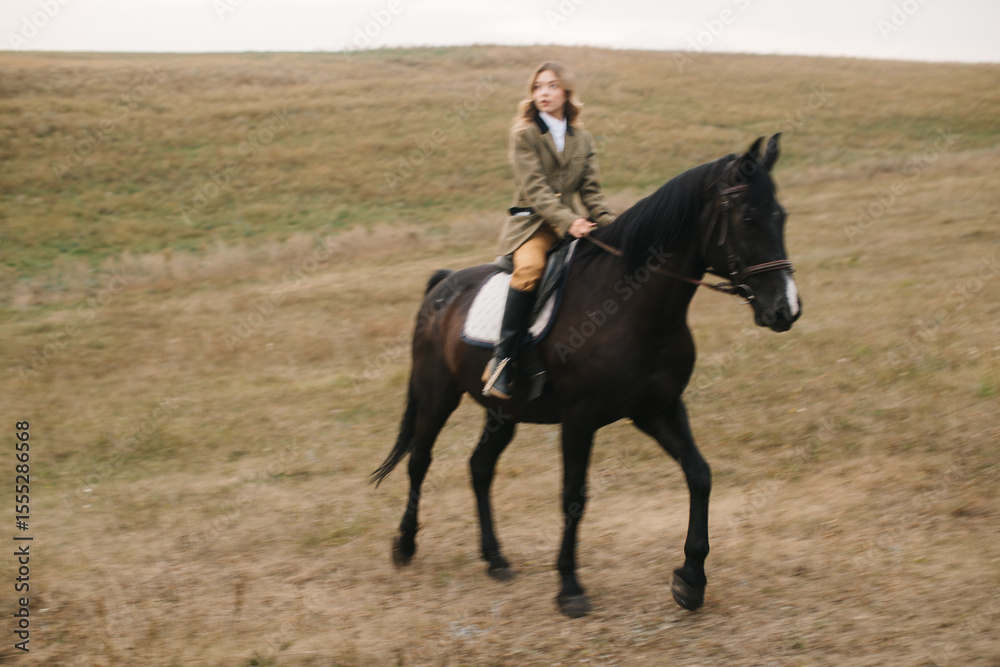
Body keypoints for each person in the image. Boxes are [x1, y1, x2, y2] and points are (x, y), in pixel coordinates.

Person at [482, 61, 618, 400]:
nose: (544, 92)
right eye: (538, 86)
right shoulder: (524, 134)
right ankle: (501, 360)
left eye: (552, 85)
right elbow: (537, 189)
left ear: (566, 92)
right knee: (530, 270)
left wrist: (614, 226)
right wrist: (569, 221)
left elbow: (591, 192)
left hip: (571, 227)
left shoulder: (583, 139)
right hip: (531, 226)